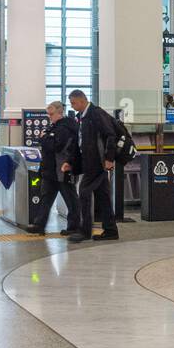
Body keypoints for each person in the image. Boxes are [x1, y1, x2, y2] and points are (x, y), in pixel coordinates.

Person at [60, 89, 120, 243]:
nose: (72, 106)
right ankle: (111, 230)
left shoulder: (95, 114)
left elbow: (110, 135)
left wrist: (109, 158)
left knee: (84, 193)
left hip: (97, 163)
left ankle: (85, 231)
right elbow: (78, 142)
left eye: (73, 103)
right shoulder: (82, 117)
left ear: (81, 100)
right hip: (89, 162)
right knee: (103, 196)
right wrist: (70, 162)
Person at [34, 100, 80, 235]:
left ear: (60, 112)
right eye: (48, 114)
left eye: (51, 114)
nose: (49, 117)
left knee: (71, 200)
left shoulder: (65, 128)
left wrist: (43, 138)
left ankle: (74, 227)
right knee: (45, 199)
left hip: (62, 170)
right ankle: (39, 225)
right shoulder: (54, 126)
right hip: (51, 171)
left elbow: (56, 147)